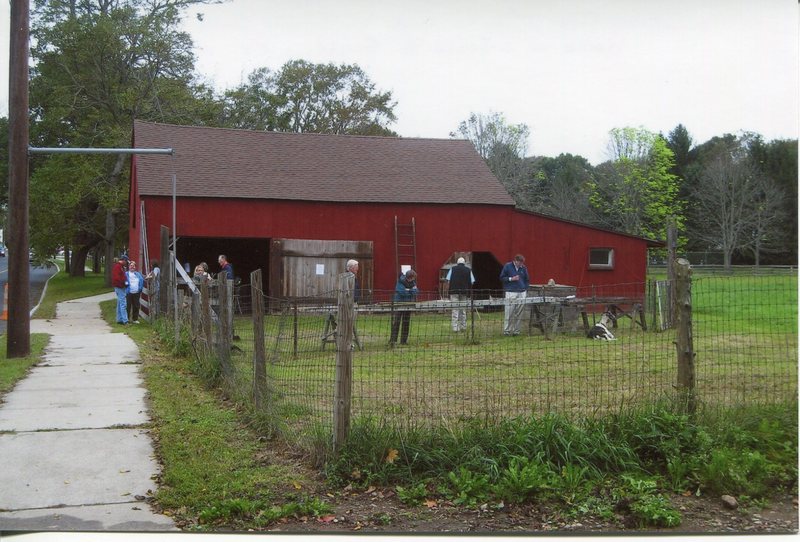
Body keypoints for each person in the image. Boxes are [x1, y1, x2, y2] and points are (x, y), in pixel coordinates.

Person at [499, 254, 530, 336]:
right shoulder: (507, 266)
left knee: (519, 312)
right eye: (520, 263)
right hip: (511, 291)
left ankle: (516, 331)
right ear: (515, 261)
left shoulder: (523, 268)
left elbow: (527, 279)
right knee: (509, 312)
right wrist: (511, 279)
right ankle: (507, 331)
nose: (521, 264)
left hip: (522, 292)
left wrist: (525, 289)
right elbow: (502, 278)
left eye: (522, 263)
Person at [444, 257, 475, 332]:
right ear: (464, 263)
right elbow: (472, 281)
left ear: (457, 263)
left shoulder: (452, 269)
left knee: (455, 310)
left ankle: (455, 328)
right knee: (463, 310)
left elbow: (448, 280)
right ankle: (463, 326)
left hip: (454, 291)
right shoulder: (468, 270)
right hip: (464, 292)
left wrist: (449, 289)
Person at [389, 269, 418, 346]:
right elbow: (401, 292)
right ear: (409, 277)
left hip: (408, 305)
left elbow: (416, 291)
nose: (414, 279)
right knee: (396, 322)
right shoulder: (400, 281)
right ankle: (393, 340)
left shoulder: (412, 283)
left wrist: (409, 290)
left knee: (406, 323)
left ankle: (404, 340)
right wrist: (410, 291)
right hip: (399, 304)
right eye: (413, 278)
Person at [112, 255, 129, 325]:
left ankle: (119, 319)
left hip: (120, 287)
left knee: (119, 303)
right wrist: (123, 283)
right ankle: (125, 320)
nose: (126, 263)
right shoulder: (118, 267)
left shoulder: (120, 267)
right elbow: (117, 278)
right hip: (120, 287)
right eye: (126, 261)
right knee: (123, 304)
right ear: (124, 260)